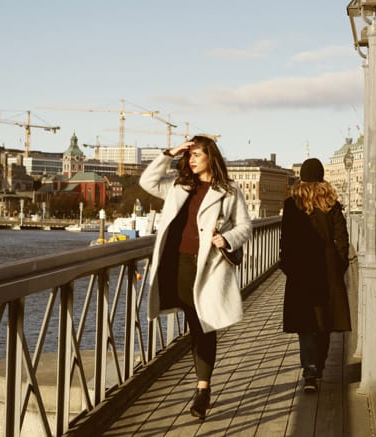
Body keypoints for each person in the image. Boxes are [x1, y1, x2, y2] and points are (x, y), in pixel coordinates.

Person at [140, 135, 252, 419]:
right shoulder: (179, 186)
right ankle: (200, 386)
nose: (191, 159)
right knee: (192, 321)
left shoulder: (228, 190)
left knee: (203, 327)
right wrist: (169, 153)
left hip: (206, 267)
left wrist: (226, 239)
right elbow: (147, 182)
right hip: (175, 265)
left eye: (197, 154)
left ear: (210, 157)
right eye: (188, 155)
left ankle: (203, 390)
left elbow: (245, 227)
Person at [279, 158, 351, 393]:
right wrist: (339, 264)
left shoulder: (292, 204)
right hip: (327, 267)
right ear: (321, 177)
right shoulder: (331, 203)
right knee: (325, 322)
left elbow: (286, 240)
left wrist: (288, 266)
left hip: (301, 267)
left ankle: (309, 367)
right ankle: (318, 365)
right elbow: (342, 238)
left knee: (305, 322)